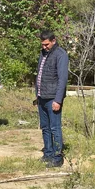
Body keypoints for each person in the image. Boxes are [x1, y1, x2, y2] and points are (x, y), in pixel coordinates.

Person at [35, 30, 69, 168]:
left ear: (53, 41)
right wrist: (37, 94)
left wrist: (58, 100)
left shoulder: (61, 54)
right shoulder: (43, 53)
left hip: (53, 98)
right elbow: (40, 74)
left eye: (47, 44)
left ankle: (57, 157)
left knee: (55, 128)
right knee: (45, 127)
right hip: (42, 97)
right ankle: (48, 153)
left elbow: (62, 79)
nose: (44, 47)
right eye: (42, 44)